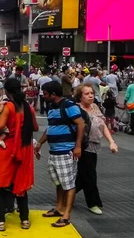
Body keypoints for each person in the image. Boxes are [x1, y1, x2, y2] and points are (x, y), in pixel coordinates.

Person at [0, 78, 36, 232]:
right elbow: (35, 126)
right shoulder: (28, 108)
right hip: (23, 149)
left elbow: (0, 126)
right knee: (19, 184)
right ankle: (25, 220)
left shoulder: (9, 107)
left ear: (6, 91)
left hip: (4, 150)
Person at [35, 81, 85, 228]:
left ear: (53, 94)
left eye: (45, 94)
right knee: (58, 182)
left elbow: (81, 124)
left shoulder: (68, 106)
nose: (43, 97)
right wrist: (40, 143)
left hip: (66, 151)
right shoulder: (51, 107)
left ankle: (66, 214)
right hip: (54, 151)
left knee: (68, 183)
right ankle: (59, 208)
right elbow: (50, 128)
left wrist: (78, 146)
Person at [74, 84, 118, 215]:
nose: (90, 95)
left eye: (92, 93)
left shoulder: (95, 107)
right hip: (83, 145)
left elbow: (103, 125)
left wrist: (112, 142)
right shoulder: (76, 109)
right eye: (87, 93)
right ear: (80, 97)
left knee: (84, 175)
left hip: (95, 145)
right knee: (90, 174)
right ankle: (93, 202)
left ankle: (67, 193)